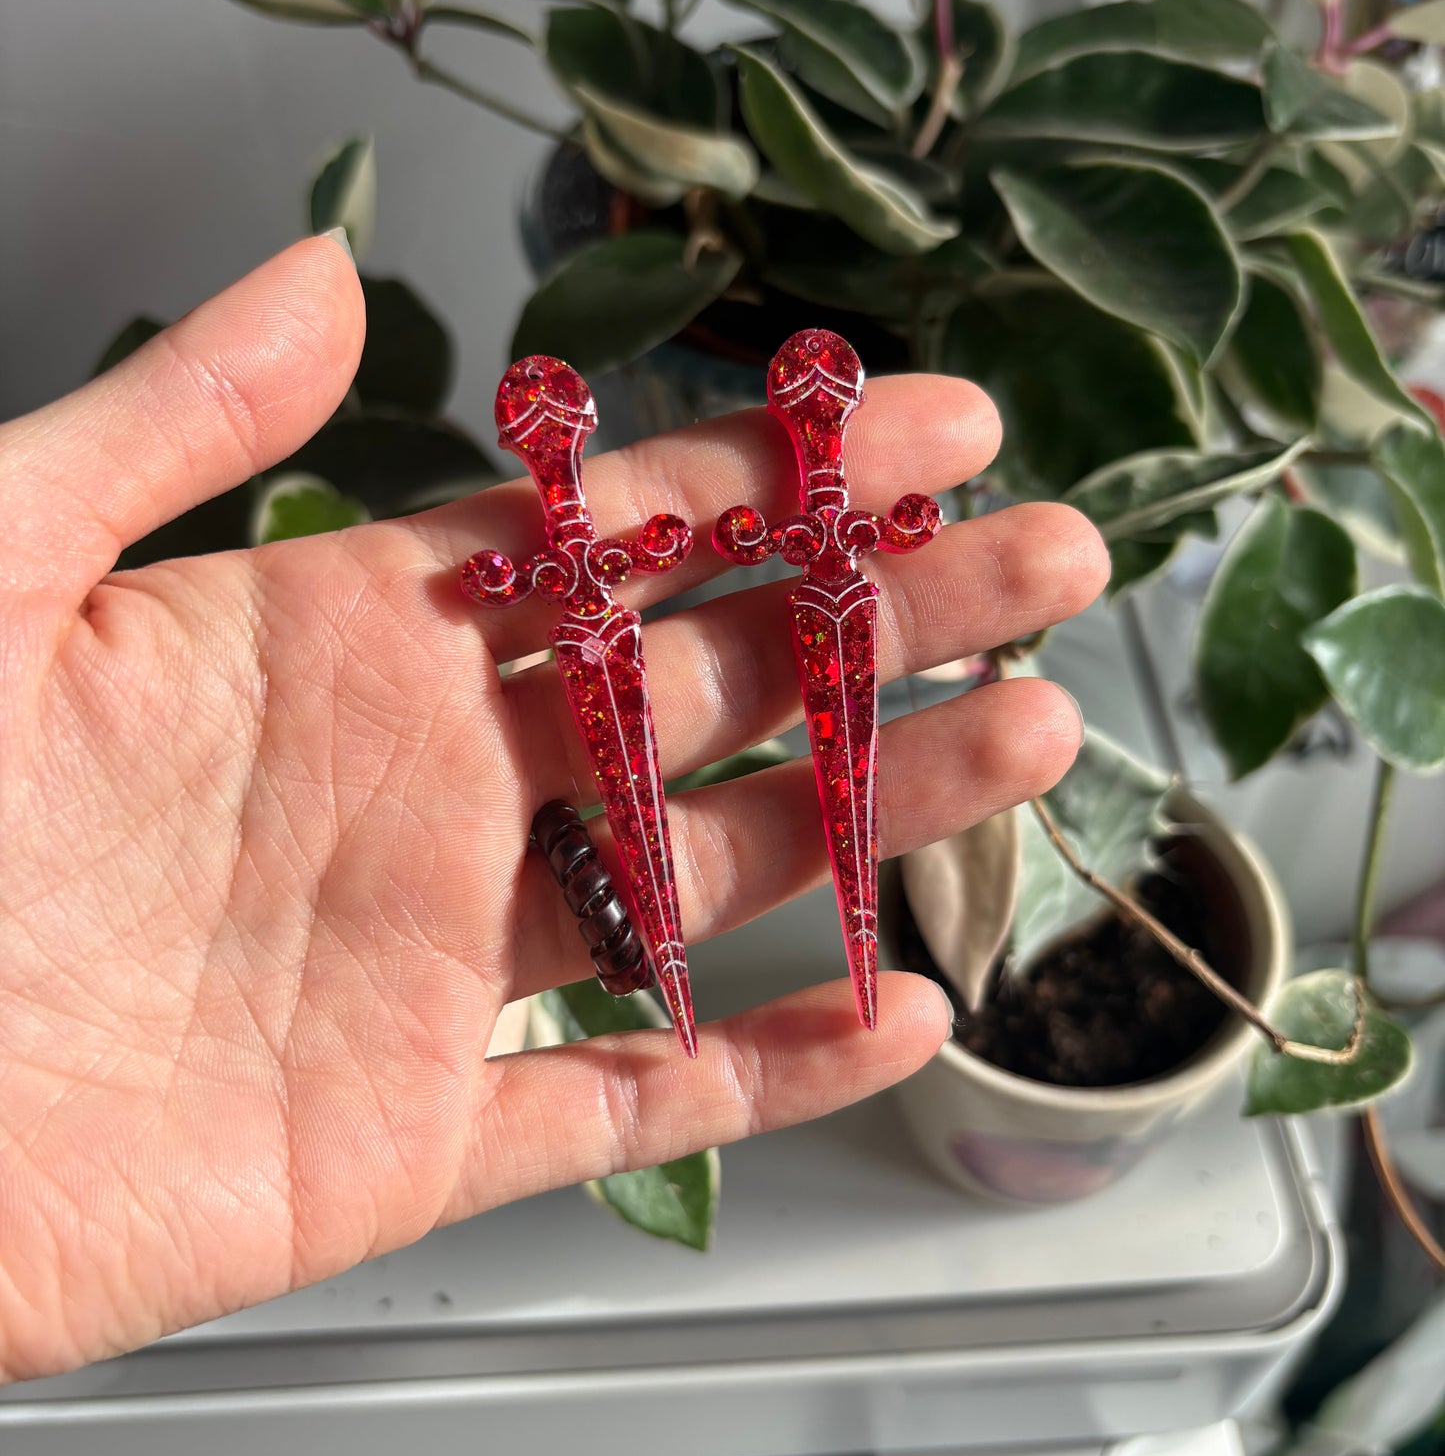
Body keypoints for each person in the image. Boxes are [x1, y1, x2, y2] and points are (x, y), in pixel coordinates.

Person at [0, 236, 1109, 1383]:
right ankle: (718, 976)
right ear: (557, 449)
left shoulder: (643, 538)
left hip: (757, 572)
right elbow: (667, 545)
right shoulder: (564, 546)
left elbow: (715, 537)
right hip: (651, 593)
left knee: (845, 781)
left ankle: (797, 963)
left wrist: (770, 539)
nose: (549, 445)